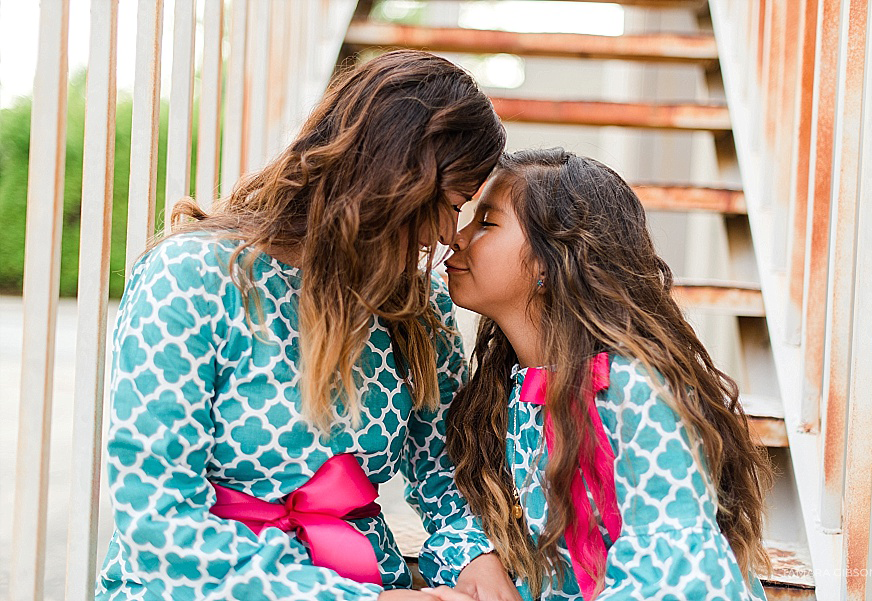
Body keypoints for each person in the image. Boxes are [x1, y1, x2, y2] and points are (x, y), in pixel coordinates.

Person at [96, 50, 520, 601]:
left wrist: (474, 560)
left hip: (368, 579)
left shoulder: (417, 306)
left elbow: (444, 476)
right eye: (448, 203)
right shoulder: (193, 277)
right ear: (393, 180)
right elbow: (155, 519)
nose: (446, 235)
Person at [444, 148, 774, 600]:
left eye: (487, 223)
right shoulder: (502, 392)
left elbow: (678, 575)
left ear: (549, 259)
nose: (456, 238)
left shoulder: (632, 389)